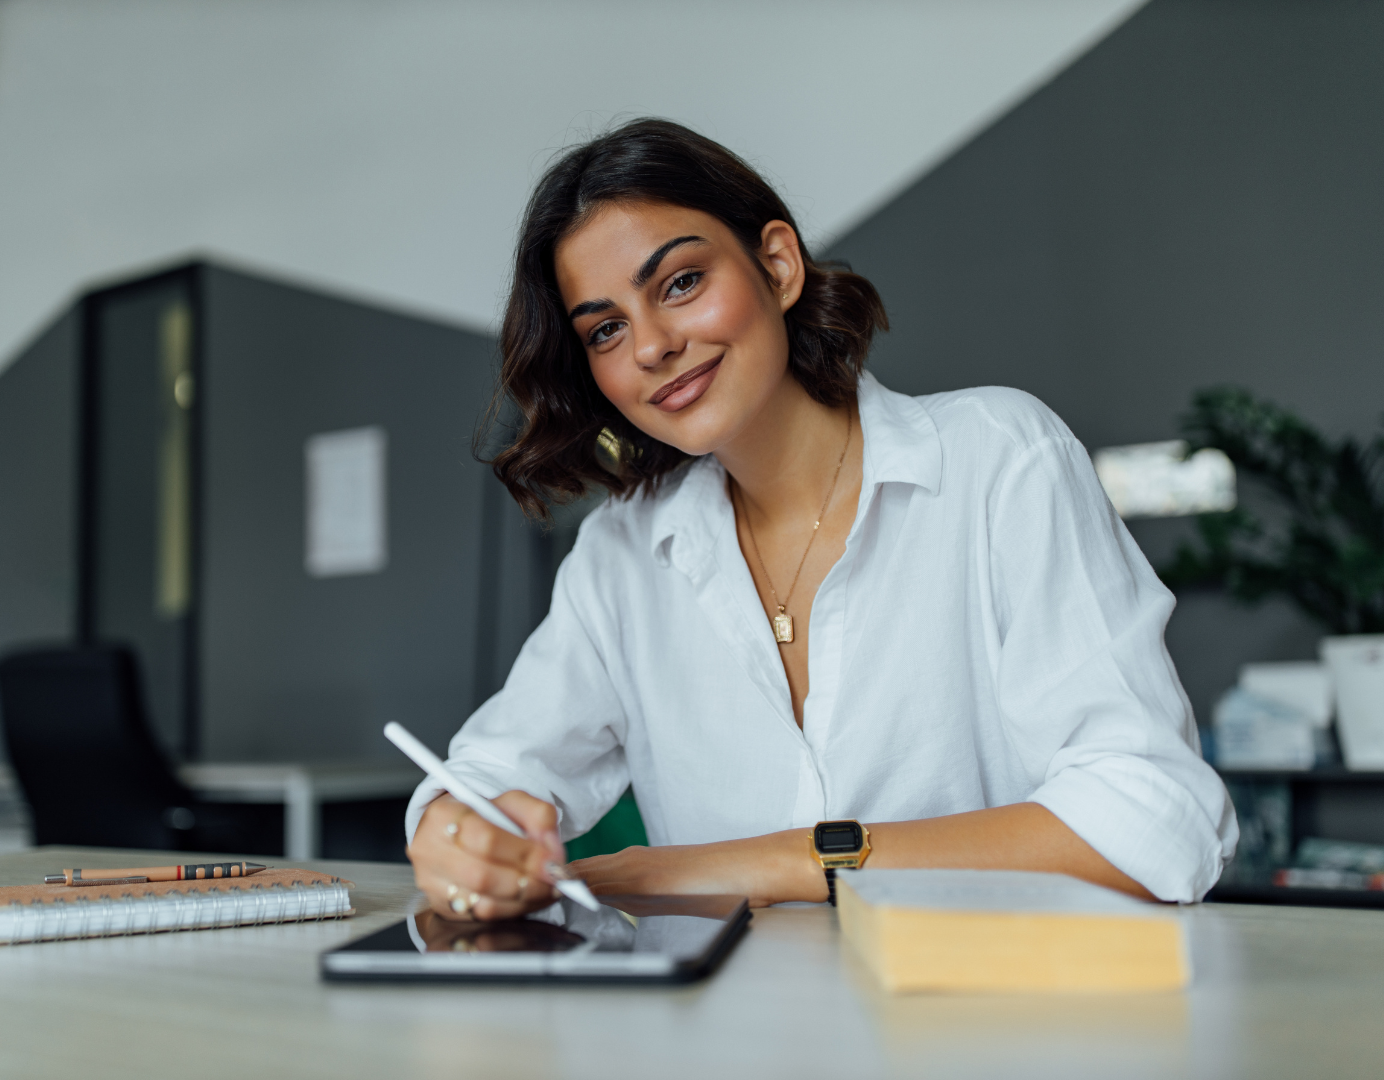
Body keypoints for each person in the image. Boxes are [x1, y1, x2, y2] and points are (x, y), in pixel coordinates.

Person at [405, 118, 1237, 921]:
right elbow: (490, 774)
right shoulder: (621, 552)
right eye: (607, 329)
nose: (651, 346)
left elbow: (1153, 819)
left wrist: (772, 864)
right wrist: (460, 832)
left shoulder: (998, 458)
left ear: (777, 265)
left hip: (990, 1009)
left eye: (681, 283)